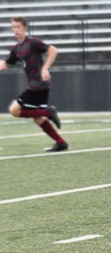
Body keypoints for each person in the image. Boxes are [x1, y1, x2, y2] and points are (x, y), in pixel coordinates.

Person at [0, 16, 68, 152]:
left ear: (25, 28)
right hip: (38, 85)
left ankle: (48, 111)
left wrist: (45, 68)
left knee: (14, 110)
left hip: (39, 85)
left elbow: (53, 50)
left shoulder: (32, 43)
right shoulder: (16, 49)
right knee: (38, 118)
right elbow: (6, 64)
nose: (15, 30)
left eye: (18, 27)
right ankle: (61, 143)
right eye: (13, 27)